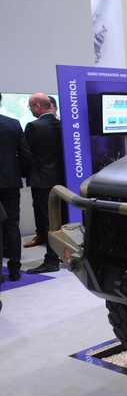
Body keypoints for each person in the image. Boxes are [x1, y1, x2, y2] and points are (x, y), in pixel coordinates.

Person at [24, 93, 66, 274]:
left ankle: (51, 260)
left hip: (42, 182)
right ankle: (64, 255)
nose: (30, 110)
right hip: (64, 180)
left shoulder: (34, 127)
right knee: (63, 220)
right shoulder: (63, 125)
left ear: (38, 106)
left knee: (48, 222)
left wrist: (24, 173)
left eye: (30, 107)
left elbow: (26, 154)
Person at [0, 93, 32, 281]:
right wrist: (16, 171)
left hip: (9, 181)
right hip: (10, 182)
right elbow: (25, 154)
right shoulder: (13, 124)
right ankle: (14, 270)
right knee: (12, 225)